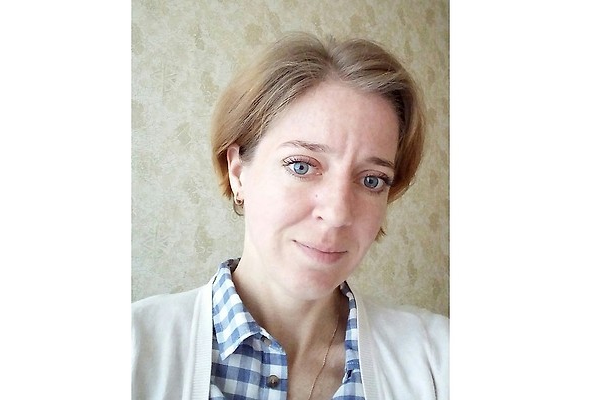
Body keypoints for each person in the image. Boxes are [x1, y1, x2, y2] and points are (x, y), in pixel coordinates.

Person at [132, 32, 449, 400]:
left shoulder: (440, 359)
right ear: (238, 172)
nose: (337, 213)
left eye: (371, 180)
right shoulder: (133, 349)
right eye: (301, 166)